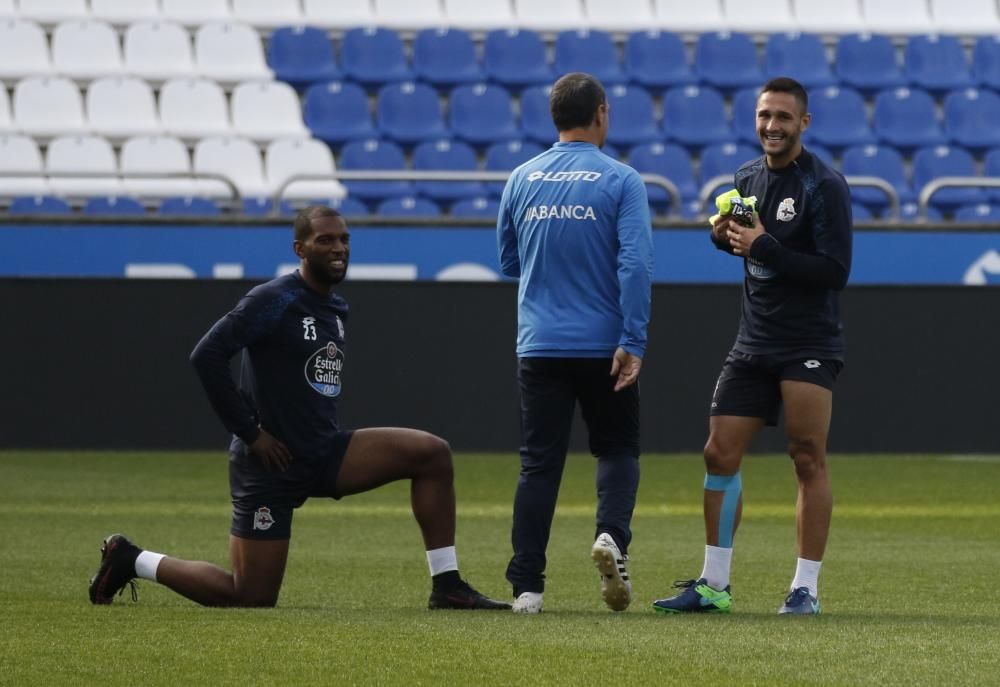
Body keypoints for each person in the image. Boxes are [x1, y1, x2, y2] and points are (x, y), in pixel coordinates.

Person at [89, 205, 509, 611]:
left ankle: (448, 586)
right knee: (250, 595)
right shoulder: (274, 298)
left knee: (431, 454)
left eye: (344, 239)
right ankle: (132, 559)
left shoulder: (333, 305)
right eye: (325, 240)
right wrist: (252, 435)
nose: (339, 248)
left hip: (324, 452)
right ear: (300, 249)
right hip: (271, 463)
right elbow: (207, 355)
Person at [652, 77, 853, 616]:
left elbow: (835, 271)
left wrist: (764, 243)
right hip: (754, 339)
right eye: (765, 115)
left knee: (807, 456)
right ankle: (714, 584)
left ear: (803, 123)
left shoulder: (824, 186)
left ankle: (805, 589)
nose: (772, 126)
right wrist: (724, 236)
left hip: (807, 340)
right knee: (718, 452)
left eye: (784, 117)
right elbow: (744, 243)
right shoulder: (744, 178)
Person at [496, 72, 654, 614]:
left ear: (555, 117)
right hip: (604, 343)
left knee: (538, 464)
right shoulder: (622, 180)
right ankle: (611, 535)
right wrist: (633, 337)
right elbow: (634, 264)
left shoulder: (520, 178)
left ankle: (527, 589)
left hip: (539, 343)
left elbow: (509, 261)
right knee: (615, 447)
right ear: (602, 114)